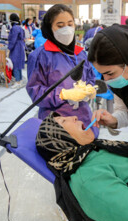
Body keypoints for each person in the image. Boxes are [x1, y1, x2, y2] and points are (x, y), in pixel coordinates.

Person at [26, 4, 98, 138]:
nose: (67, 29)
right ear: (49, 28)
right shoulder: (40, 56)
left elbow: (90, 79)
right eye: (60, 25)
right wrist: (63, 94)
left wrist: (89, 90)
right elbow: (35, 93)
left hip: (84, 120)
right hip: (57, 126)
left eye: (70, 24)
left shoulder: (81, 54)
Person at [8, 13, 26, 89]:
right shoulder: (20, 28)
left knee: (14, 64)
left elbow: (13, 40)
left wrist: (9, 48)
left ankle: (17, 81)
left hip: (16, 47)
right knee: (18, 64)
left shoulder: (14, 28)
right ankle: (20, 79)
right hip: (20, 47)